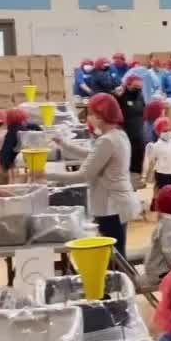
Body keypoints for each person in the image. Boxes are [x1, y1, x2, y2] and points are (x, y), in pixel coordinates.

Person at [49, 94, 138, 256]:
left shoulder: (107, 140)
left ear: (101, 115)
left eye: (91, 114)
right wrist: (64, 144)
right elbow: (93, 155)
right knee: (115, 254)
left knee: (113, 257)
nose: (88, 118)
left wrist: (47, 175)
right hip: (117, 203)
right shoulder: (118, 134)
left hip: (110, 205)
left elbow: (83, 175)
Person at [144, 117, 171, 215]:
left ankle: (168, 205)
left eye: (169, 130)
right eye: (165, 130)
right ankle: (156, 203)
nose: (168, 132)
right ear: (159, 132)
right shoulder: (156, 145)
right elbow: (152, 158)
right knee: (160, 189)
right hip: (160, 172)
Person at [117, 74, 148, 177]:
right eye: (135, 87)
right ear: (128, 85)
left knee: (138, 161)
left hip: (139, 134)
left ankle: (136, 180)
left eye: (140, 87)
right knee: (126, 162)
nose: (138, 89)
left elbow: (143, 112)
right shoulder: (120, 97)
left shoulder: (140, 96)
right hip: (126, 134)